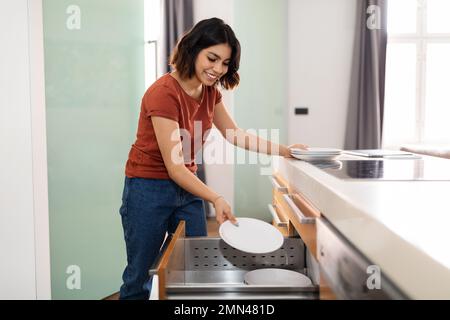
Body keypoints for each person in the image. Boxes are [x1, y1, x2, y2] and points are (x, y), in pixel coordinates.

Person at [118, 17, 307, 300]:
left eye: (225, 63)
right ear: (194, 49)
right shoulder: (163, 93)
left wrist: (286, 150)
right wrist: (216, 197)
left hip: (187, 187)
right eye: (212, 58)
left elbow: (235, 134)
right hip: (148, 188)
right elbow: (174, 167)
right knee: (139, 276)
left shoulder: (210, 93)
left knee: (195, 269)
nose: (218, 69)